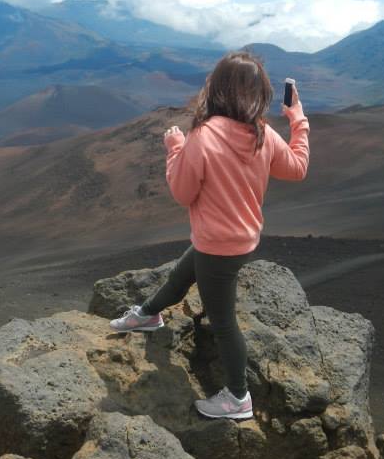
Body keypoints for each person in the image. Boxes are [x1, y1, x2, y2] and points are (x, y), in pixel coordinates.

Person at [109, 50, 311, 421]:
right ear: (260, 93)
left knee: (223, 322)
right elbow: (298, 168)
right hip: (238, 241)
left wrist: (175, 150)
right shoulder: (261, 134)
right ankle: (149, 315)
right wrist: (297, 120)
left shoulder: (202, 136)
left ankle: (238, 398)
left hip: (219, 245)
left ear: (216, 88)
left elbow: (182, 192)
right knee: (182, 274)